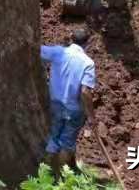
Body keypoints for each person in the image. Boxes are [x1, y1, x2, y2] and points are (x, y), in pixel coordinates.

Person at [40, 28, 96, 175]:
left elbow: (37, 50)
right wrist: (91, 116)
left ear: (71, 38)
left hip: (55, 104)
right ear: (87, 43)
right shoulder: (88, 63)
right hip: (74, 109)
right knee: (66, 143)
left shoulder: (58, 52)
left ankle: (45, 173)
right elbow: (85, 91)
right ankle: (60, 177)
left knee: (54, 137)